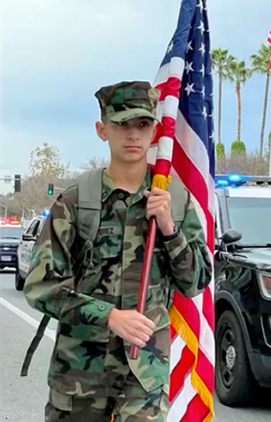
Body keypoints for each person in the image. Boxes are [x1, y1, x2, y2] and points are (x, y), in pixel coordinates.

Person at [23, 81, 212, 422]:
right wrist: (109, 316)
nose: (132, 135)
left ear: (155, 131)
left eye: (142, 124)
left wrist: (169, 229)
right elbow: (41, 287)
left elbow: (195, 282)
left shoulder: (176, 201)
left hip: (145, 375)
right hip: (81, 373)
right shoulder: (78, 201)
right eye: (121, 124)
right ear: (102, 130)